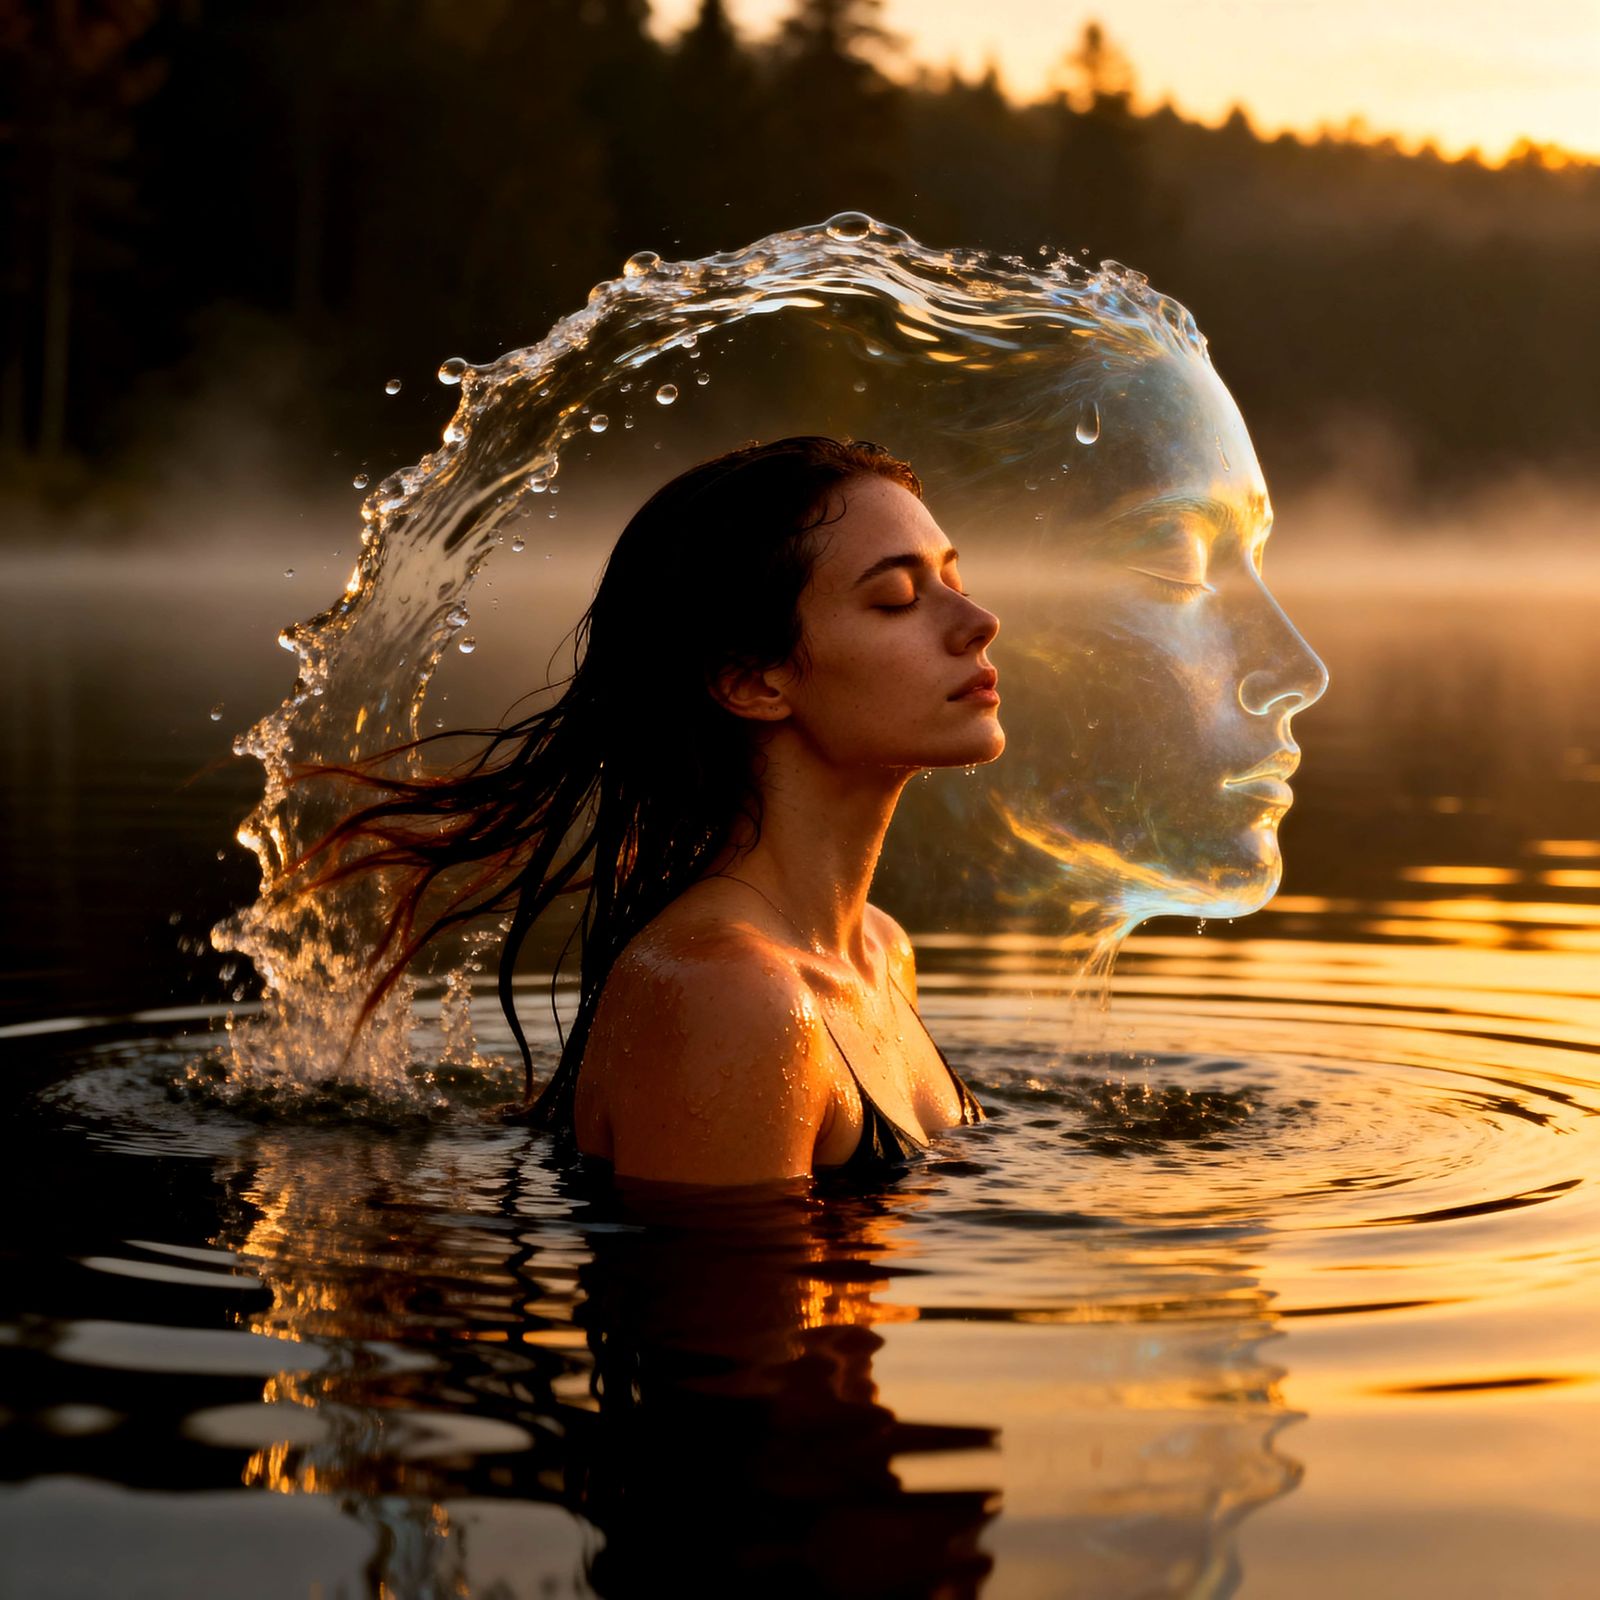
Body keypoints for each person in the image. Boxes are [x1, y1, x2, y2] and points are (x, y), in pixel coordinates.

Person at [301, 436, 1003, 1184]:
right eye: (896, 598)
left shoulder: (880, 950)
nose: (979, 620)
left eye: (954, 581)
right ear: (753, 683)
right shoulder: (730, 994)